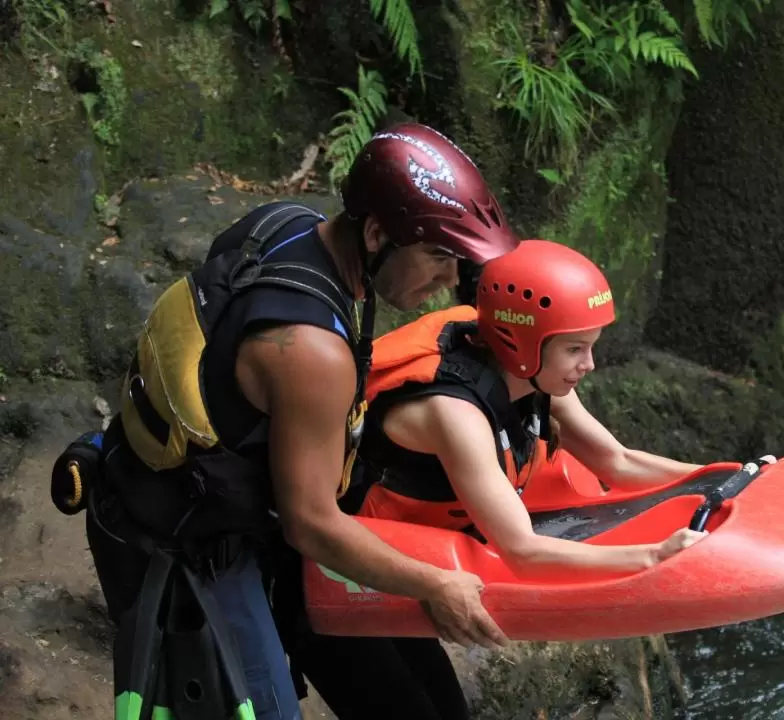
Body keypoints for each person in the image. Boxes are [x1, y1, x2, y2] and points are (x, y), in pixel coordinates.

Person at [75, 122, 520, 720]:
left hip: (144, 480)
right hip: (185, 541)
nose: (447, 281)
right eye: (438, 256)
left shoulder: (283, 224)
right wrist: (436, 585)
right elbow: (311, 526)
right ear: (376, 232)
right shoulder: (312, 352)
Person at [277, 239, 709, 719]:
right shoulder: (455, 413)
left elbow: (617, 461)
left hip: (391, 567)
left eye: (590, 346)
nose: (589, 365)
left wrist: (723, 480)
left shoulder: (530, 372)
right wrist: (653, 557)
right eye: (575, 349)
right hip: (328, 572)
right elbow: (521, 551)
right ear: (520, 343)